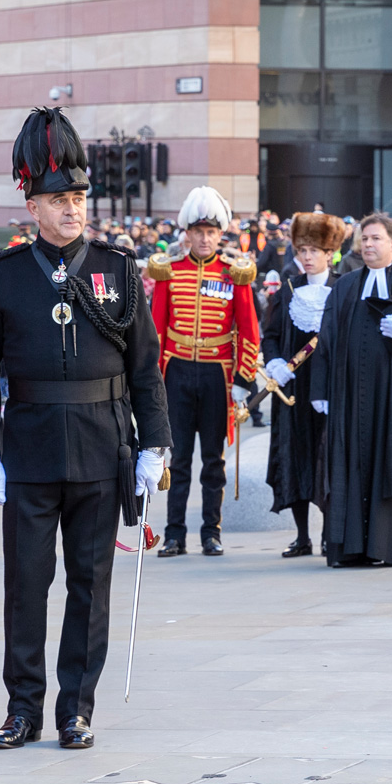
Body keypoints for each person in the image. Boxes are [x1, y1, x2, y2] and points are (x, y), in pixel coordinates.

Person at [0, 108, 170, 751]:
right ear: (32, 205)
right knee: (26, 585)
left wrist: (154, 444)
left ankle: (75, 708)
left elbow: (145, 366)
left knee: (89, 585)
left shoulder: (117, 270)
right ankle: (22, 707)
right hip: (27, 448)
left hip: (102, 445)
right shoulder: (3, 276)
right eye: (59, 199)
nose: (72, 209)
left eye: (79, 198)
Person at [310, 211, 392, 566]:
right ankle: (350, 548)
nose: (367, 244)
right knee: (348, 464)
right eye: (364, 239)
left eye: (375, 238)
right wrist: (320, 390)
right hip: (348, 396)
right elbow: (326, 340)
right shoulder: (346, 286)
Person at [146, 186, 259, 557]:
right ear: (188, 234)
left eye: (211, 232)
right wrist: (153, 381)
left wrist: (243, 379)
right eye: (199, 232)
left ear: (220, 235)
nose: (205, 238)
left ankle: (212, 532)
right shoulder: (169, 272)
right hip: (177, 371)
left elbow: (249, 331)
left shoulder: (234, 274)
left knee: (213, 460)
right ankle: (175, 534)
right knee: (177, 459)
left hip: (217, 374)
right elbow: (156, 330)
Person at [262, 212, 343, 557]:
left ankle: (328, 532)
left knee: (327, 456)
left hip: (329, 389)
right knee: (294, 454)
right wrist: (275, 362)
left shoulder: (344, 287)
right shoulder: (289, 288)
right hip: (292, 388)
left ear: (329, 252)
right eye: (302, 250)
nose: (307, 257)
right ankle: (302, 535)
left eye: (314, 250)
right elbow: (272, 334)